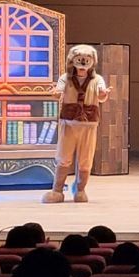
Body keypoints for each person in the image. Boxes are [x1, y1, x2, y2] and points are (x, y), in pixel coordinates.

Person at [42, 44, 112, 203]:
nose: (83, 63)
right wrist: (55, 93)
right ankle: (57, 190)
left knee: (85, 159)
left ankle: (80, 190)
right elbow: (59, 92)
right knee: (64, 157)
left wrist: (103, 94)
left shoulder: (97, 80)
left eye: (87, 59)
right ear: (72, 60)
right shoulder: (65, 78)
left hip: (89, 124)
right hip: (69, 123)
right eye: (79, 59)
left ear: (92, 62)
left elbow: (101, 96)